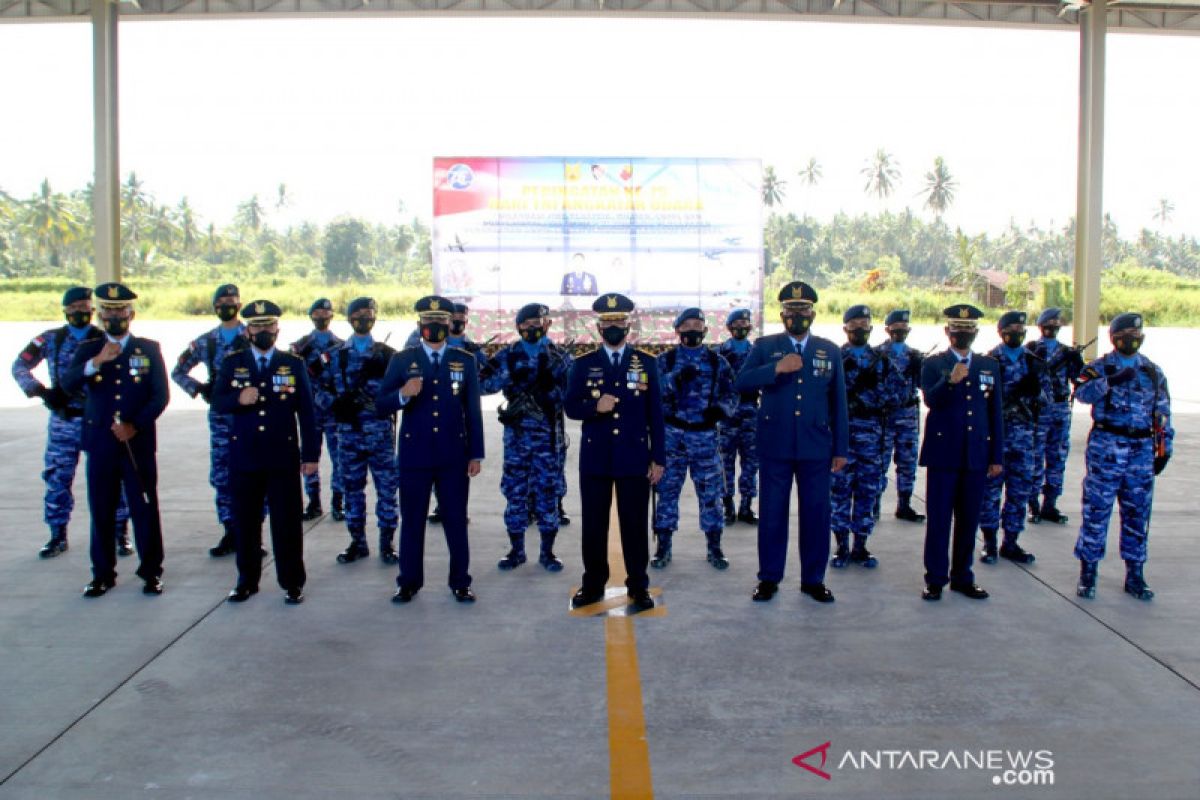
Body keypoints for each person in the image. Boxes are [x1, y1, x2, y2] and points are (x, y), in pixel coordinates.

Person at [734, 282, 848, 604]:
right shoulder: (766, 346)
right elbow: (740, 382)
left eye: (803, 309)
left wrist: (841, 449)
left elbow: (839, 403)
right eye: (791, 309)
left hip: (816, 447)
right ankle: (769, 578)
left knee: (816, 514)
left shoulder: (829, 350)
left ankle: (813, 579)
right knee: (772, 514)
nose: (797, 315)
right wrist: (775, 369)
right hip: (776, 445)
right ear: (781, 313)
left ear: (812, 312)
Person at [62, 283, 168, 598]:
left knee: (144, 508)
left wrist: (135, 425)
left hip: (137, 444)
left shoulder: (148, 349)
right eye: (108, 310)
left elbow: (160, 395)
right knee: (102, 510)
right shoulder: (88, 350)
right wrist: (97, 362)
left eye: (120, 310)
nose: (114, 316)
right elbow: (67, 384)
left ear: (131, 314)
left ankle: (151, 572)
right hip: (101, 444)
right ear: (101, 315)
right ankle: (102, 574)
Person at [378, 295, 484, 604]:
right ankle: (408, 581)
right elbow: (380, 405)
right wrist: (402, 394)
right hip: (415, 456)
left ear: (450, 325)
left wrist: (475, 453)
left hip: (453, 455)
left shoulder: (464, 360)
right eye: (429, 321)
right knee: (412, 520)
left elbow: (473, 410)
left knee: (455, 519)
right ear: (419, 325)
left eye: (441, 322)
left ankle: (460, 581)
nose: (435, 326)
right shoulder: (402, 360)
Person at [12, 286, 131, 558]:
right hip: (64, 420)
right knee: (57, 477)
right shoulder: (49, 340)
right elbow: (19, 366)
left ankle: (119, 533)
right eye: (74, 307)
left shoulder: (105, 339)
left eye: (85, 306)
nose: (81, 311)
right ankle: (57, 535)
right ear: (65, 310)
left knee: (113, 478)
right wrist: (40, 390)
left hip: (98, 420)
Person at [564, 293, 665, 611]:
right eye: (607, 323)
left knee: (634, 525)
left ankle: (638, 585)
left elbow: (656, 415)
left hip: (634, 457)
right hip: (596, 458)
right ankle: (593, 584)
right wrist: (596, 406)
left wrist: (658, 457)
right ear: (598, 326)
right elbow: (570, 406)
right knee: (594, 525)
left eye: (619, 322)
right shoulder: (583, 363)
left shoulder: (646, 362)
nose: (613, 327)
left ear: (628, 324)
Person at [214, 300, 319, 605]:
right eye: (257, 326)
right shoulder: (234, 363)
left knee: (286, 523)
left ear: (277, 328)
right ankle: (246, 581)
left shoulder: (292, 364)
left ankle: (292, 582)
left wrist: (310, 456)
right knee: (246, 522)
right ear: (247, 330)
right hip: (244, 456)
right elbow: (218, 402)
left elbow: (307, 414)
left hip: (281, 456)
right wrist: (238, 397)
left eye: (269, 325)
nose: (263, 330)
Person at [1073, 313, 1173, 601]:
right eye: (1126, 333)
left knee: (1137, 514)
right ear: (1114, 337)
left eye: (1136, 333)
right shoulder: (1099, 367)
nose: (1132, 338)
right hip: (1107, 447)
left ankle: (1135, 574)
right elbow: (1081, 393)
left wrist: (1163, 449)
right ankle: (1088, 573)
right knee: (1097, 511)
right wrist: (1111, 380)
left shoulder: (1153, 371)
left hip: (1140, 451)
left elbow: (1163, 414)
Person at [918, 304, 1002, 602]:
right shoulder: (933, 364)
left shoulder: (989, 366)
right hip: (944, 455)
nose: (962, 334)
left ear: (976, 333)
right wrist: (950, 380)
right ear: (947, 331)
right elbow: (931, 400)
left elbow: (995, 414)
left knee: (969, 520)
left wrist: (996, 456)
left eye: (968, 330)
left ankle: (963, 577)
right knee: (939, 520)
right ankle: (935, 578)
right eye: (956, 329)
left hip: (976, 454)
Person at [480, 303, 573, 572]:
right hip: (517, 439)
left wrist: (551, 391)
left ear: (548, 325)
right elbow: (484, 384)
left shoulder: (561, 357)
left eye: (538, 322)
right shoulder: (508, 355)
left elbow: (574, 396)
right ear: (518, 326)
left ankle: (547, 552)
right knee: (515, 492)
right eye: (527, 323)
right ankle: (516, 551)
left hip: (548, 438)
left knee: (547, 492)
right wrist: (507, 374)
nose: (533, 327)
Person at [652, 308, 737, 570]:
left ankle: (715, 547)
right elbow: (652, 395)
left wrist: (721, 411)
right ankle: (663, 548)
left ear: (705, 330)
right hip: (673, 438)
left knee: (711, 495)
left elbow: (731, 395)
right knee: (667, 493)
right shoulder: (664, 361)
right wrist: (675, 379)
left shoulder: (717, 362)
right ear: (677, 330)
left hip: (705, 437)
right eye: (686, 325)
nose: (692, 329)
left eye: (697, 324)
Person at [318, 298, 399, 564]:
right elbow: (311, 385)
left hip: (380, 435)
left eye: (370, 314)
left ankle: (387, 543)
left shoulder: (388, 355)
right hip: (349, 434)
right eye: (360, 314)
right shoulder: (334, 355)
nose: (365, 318)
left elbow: (404, 391)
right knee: (353, 488)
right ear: (350, 318)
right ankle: (358, 542)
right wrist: (334, 404)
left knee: (387, 489)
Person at [170, 283, 247, 557]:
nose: (227, 304)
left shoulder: (252, 335)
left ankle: (253, 532)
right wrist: (199, 389)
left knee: (253, 473)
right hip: (220, 417)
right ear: (215, 306)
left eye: (232, 300)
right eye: (222, 301)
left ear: (239, 304)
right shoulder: (206, 342)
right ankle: (229, 530)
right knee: (222, 474)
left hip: (248, 415)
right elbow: (178, 371)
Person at [404, 301, 489, 524]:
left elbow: (481, 388)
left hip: (454, 424)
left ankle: (451, 508)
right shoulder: (414, 344)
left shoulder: (470, 352)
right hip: (420, 433)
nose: (458, 321)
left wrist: (476, 453)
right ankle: (441, 505)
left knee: (452, 485)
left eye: (460, 317)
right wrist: (403, 393)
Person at [979, 311, 1044, 566]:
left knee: (1019, 491)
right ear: (1001, 331)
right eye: (1011, 328)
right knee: (991, 491)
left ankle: (1011, 542)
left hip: (1025, 439)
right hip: (996, 437)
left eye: (1020, 327)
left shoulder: (1034, 363)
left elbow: (1047, 400)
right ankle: (989, 542)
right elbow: (982, 400)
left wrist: (1035, 391)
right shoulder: (989, 361)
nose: (1016, 332)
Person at [830, 305, 892, 570]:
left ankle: (861, 546)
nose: (859, 328)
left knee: (867, 492)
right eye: (854, 323)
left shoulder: (881, 360)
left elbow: (899, 395)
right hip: (841, 438)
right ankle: (841, 546)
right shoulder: (834, 359)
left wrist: (873, 390)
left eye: (864, 323)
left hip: (870, 436)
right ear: (845, 328)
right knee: (839, 492)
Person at [1025, 307, 1084, 525]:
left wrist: (1078, 363)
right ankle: (1032, 504)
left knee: (1057, 457)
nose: (1052, 329)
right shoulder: (1030, 350)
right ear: (1041, 326)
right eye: (1048, 325)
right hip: (1038, 411)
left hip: (1060, 409)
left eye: (1055, 325)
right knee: (1035, 458)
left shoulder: (1066, 353)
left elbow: (1080, 380)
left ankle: (1050, 503)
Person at [289, 298, 345, 521]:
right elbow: (291, 378)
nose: (322, 316)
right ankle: (313, 501)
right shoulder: (299, 347)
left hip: (332, 412)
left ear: (331, 316)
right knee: (309, 457)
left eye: (326, 312)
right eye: (317, 312)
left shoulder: (340, 346)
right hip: (310, 412)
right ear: (311, 316)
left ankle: (338, 501)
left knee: (338, 458)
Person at [877, 309, 926, 523]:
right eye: (896, 327)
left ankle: (904, 503)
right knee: (880, 461)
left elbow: (924, 385)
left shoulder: (915, 355)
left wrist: (920, 369)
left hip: (907, 415)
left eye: (904, 327)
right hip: (885, 416)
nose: (900, 331)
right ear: (887, 329)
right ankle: (873, 502)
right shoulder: (877, 354)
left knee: (907, 461)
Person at [716, 308, 760, 526]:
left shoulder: (757, 352)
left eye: (745, 323)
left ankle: (746, 507)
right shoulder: (719, 353)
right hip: (727, 416)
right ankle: (728, 507)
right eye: (737, 323)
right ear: (729, 327)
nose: (742, 327)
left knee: (751, 463)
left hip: (751, 413)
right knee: (726, 463)